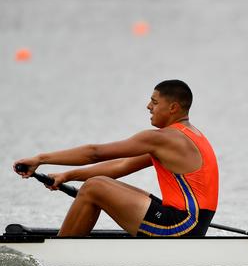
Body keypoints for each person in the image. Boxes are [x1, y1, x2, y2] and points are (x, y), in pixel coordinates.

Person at [13, 79, 219, 237]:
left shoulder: (164, 138)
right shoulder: (190, 136)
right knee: (98, 185)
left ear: (173, 108)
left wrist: (40, 158)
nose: (148, 106)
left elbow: (94, 153)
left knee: (94, 187)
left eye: (154, 102)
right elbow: (122, 165)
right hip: (191, 224)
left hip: (181, 226)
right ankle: (70, 244)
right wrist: (67, 175)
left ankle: (59, 254)